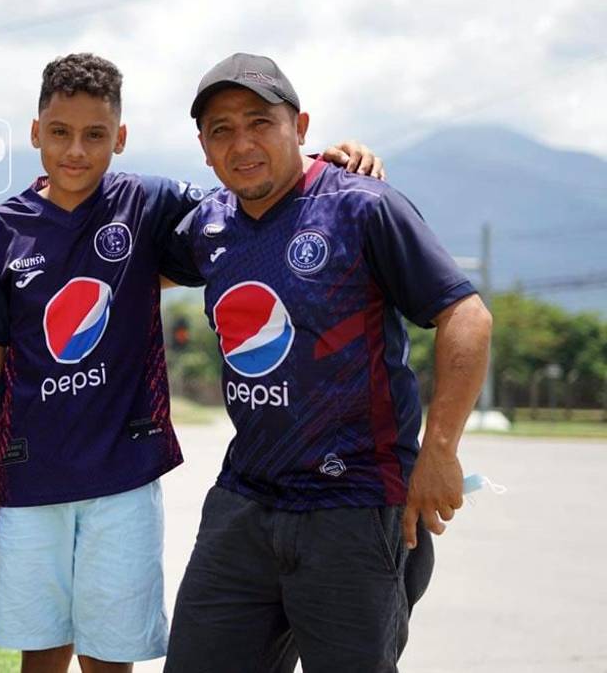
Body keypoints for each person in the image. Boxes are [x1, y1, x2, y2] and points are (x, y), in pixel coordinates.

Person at [0, 53, 387, 673]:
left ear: (121, 138)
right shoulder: (3, 228)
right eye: (59, 133)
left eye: (95, 135)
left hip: (125, 478)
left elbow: (250, 192)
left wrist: (323, 159)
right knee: (42, 654)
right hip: (29, 481)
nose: (75, 149)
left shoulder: (149, 200)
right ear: (34, 133)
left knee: (111, 656)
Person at [161, 53, 493, 672]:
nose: (242, 143)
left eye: (260, 122)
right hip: (247, 501)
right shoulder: (207, 225)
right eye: (221, 130)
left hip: (356, 505)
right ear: (204, 148)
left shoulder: (362, 207)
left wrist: (441, 450)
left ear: (300, 125)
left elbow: (466, 315)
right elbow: (122, 268)